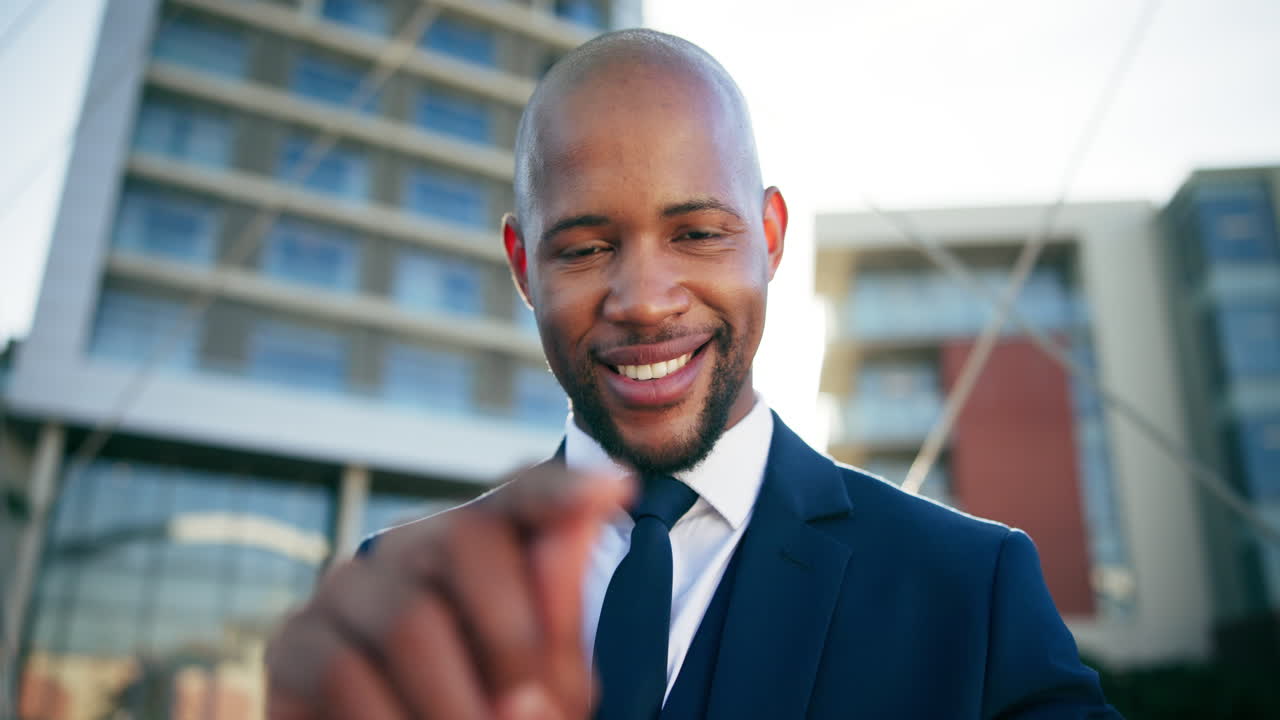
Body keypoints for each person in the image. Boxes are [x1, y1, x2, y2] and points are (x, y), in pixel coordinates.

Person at [266, 29, 1120, 720]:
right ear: (524, 266)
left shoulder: (969, 590)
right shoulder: (401, 595)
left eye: (699, 233)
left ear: (772, 237)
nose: (643, 301)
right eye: (588, 247)